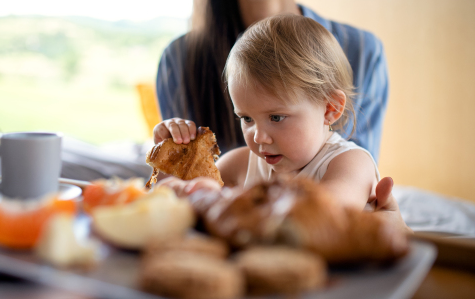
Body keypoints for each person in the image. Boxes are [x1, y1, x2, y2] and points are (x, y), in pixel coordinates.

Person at [156, 0, 388, 163]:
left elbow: (360, 185)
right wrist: (170, 157)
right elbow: (184, 189)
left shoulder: (362, 51)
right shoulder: (179, 61)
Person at [158, 14, 379, 210]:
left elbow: (324, 217)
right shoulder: (240, 164)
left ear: (330, 108)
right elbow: (180, 209)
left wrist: (234, 201)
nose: (258, 136)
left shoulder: (350, 163)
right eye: (247, 118)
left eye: (276, 117)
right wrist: (172, 164)